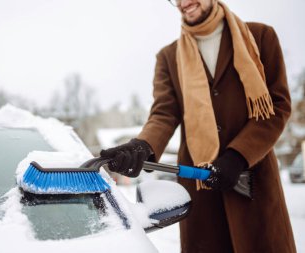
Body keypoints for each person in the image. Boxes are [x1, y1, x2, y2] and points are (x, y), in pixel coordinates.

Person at [100, 0, 297, 252]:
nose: (183, 3)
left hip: (252, 182)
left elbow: (277, 107)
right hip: (200, 187)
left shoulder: (261, 36)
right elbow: (163, 113)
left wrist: (237, 157)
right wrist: (141, 145)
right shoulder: (168, 57)